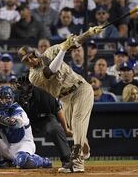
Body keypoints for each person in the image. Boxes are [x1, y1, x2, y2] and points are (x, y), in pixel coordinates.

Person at [17, 25, 103, 173]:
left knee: (77, 122)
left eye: (31, 55)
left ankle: (76, 163)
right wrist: (63, 49)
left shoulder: (50, 51)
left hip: (81, 89)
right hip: (65, 99)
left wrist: (89, 33)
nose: (31, 60)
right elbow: (52, 70)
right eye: (26, 60)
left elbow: (75, 42)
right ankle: (84, 147)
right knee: (75, 130)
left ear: (35, 52)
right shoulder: (33, 77)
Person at [0, 86, 52, 169]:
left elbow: (16, 124)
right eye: (0, 98)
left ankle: (43, 161)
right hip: (7, 144)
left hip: (22, 144)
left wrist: (8, 120)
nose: (3, 101)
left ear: (12, 99)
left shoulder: (18, 110)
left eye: (6, 98)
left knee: (24, 162)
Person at [15, 75, 71, 166]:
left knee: (55, 129)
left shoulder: (44, 94)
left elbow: (58, 111)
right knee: (8, 129)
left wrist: (66, 129)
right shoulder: (13, 97)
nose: (25, 94)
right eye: (22, 89)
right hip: (24, 122)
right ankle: (8, 159)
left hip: (45, 119)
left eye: (27, 90)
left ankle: (67, 160)